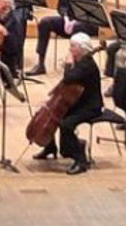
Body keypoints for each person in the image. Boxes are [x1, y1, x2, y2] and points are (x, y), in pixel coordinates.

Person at [33, 33, 102, 174]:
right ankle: (50, 147)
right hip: (77, 102)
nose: (70, 49)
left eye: (73, 46)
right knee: (51, 116)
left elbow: (68, 79)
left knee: (66, 124)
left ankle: (80, 160)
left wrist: (68, 64)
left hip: (90, 107)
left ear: (82, 48)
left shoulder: (87, 65)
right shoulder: (81, 61)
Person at [28, 0, 104, 75]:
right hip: (69, 21)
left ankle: (74, 64)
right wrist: (66, 19)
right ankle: (40, 64)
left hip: (89, 23)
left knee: (77, 27)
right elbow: (61, 5)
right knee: (45, 22)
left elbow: (97, 11)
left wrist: (75, 22)